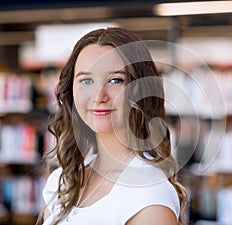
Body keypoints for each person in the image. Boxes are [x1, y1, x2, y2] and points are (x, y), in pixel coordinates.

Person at [38, 27, 188, 225]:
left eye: (115, 80)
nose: (99, 96)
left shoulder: (148, 195)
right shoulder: (62, 181)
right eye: (86, 80)